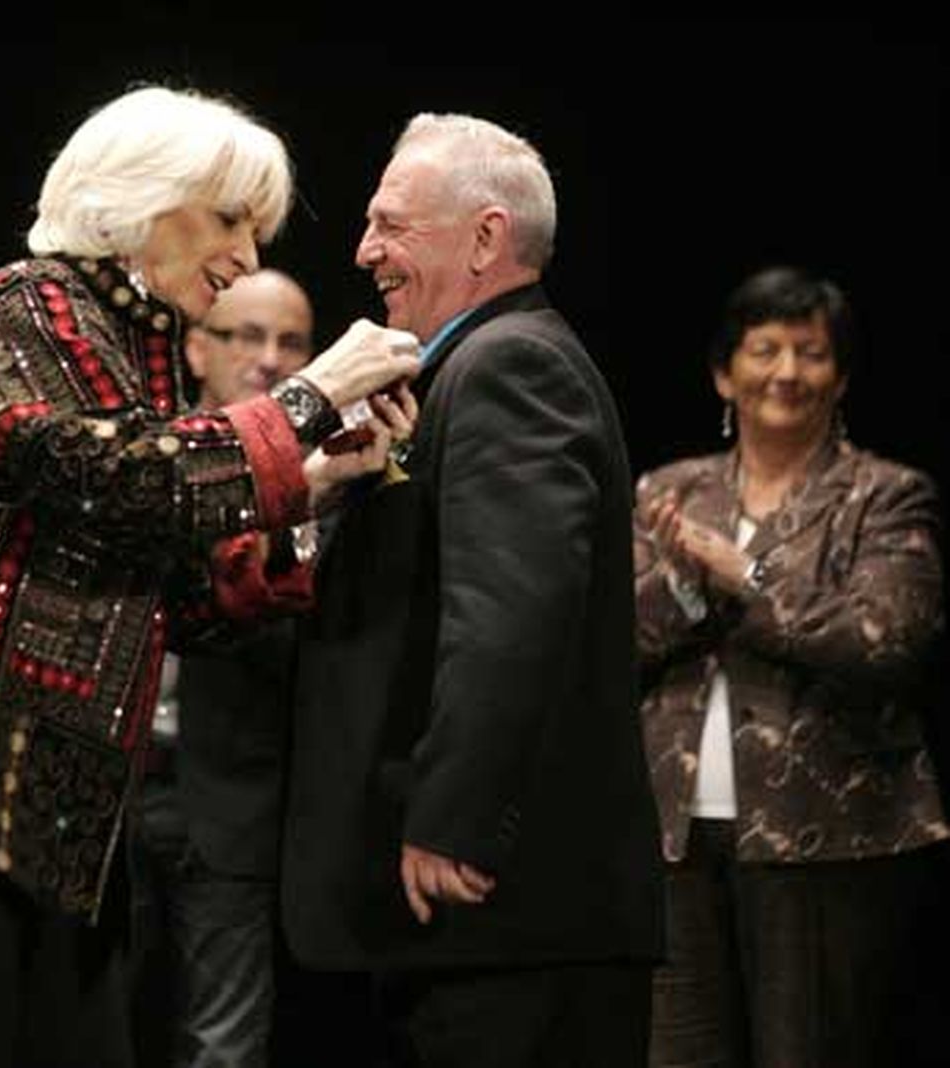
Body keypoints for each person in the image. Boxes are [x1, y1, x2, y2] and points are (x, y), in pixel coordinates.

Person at [0, 85, 420, 1068]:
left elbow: (183, 593)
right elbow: (115, 475)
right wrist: (308, 400)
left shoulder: (125, 350)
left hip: (53, 807)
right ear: (141, 199)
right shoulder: (14, 308)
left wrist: (312, 494)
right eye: (230, 219)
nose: (248, 259)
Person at [281, 113, 665, 1068]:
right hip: (481, 928)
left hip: (503, 913)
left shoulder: (510, 366)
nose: (366, 250)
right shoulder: (465, 368)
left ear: (487, 237)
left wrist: (451, 820)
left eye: (391, 224)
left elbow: (509, 618)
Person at [633, 266, 947, 1067]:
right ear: (722, 373)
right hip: (675, 836)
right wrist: (689, 585)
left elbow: (887, 638)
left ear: (840, 379)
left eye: (810, 353)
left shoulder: (884, 495)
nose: (785, 373)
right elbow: (613, 638)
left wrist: (749, 581)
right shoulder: (671, 492)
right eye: (763, 349)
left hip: (827, 837)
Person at [129, 268, 412, 1068]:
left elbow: (326, 627)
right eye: (246, 335)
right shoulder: (139, 453)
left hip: (237, 789)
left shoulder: (345, 469)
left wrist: (312, 498)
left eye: (292, 341)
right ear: (194, 345)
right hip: (110, 786)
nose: (270, 358)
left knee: (225, 1043)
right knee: (95, 1025)